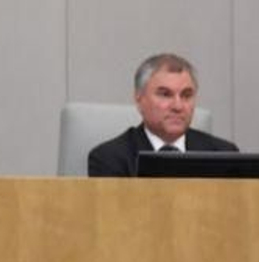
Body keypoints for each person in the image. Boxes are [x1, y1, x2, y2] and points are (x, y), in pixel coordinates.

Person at [86, 52, 238, 176]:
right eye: (165, 95)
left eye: (186, 95)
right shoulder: (110, 159)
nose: (178, 106)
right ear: (139, 100)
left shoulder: (224, 155)